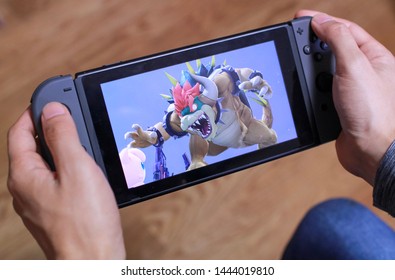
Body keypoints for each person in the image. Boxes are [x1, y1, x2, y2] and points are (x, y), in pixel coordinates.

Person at [6, 10, 395, 259]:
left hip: (242, 129)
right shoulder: (184, 117)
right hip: (217, 139)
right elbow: (165, 130)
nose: (188, 116)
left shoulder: (224, 83)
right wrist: (146, 138)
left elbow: (244, 76)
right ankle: (196, 160)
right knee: (333, 220)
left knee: (275, 146)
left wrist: (260, 86)